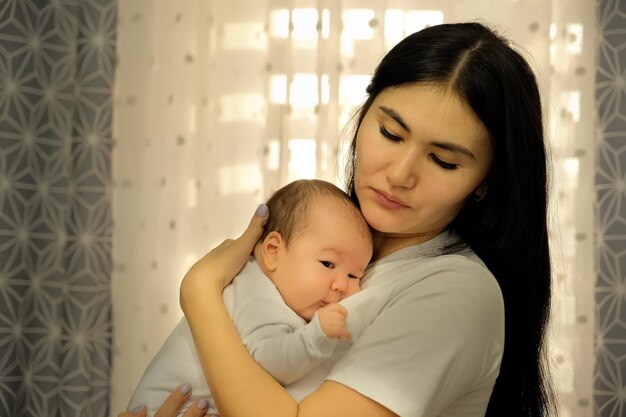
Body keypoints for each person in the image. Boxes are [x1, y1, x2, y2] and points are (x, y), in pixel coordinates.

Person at [120, 21, 556, 417]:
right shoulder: (327, 240)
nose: (401, 175)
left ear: (485, 181)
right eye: (390, 133)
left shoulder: (455, 290)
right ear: (365, 116)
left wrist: (199, 291)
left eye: (442, 160)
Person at [126, 179, 373, 416]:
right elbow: (272, 362)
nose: (341, 285)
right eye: (328, 263)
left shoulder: (283, 295)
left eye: (354, 275)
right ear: (273, 251)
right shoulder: (255, 290)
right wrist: (317, 335)